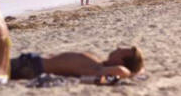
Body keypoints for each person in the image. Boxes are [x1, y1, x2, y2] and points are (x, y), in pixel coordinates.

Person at [11, 46, 144, 82]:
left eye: (121, 51)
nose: (118, 48)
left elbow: (124, 72)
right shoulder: (100, 65)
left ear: (120, 62)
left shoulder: (101, 69)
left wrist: (132, 71)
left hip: (31, 66)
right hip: (31, 62)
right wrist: (136, 70)